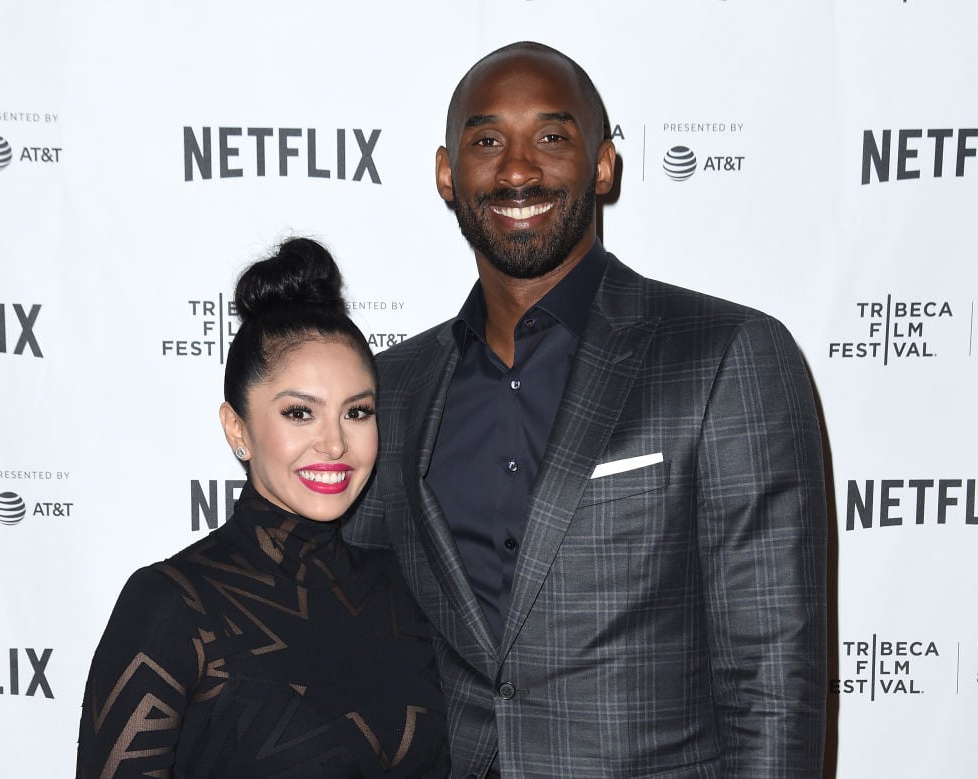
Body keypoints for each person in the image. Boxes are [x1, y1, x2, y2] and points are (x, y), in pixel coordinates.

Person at [345, 41, 828, 777]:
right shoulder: (390, 389)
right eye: (485, 141)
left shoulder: (725, 355)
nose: (516, 168)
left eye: (550, 137)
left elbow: (772, 683)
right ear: (447, 175)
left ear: (603, 165)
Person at [77, 238, 449, 777]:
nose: (335, 444)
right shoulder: (174, 607)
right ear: (238, 428)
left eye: (357, 412)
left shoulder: (406, 588)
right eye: (300, 413)